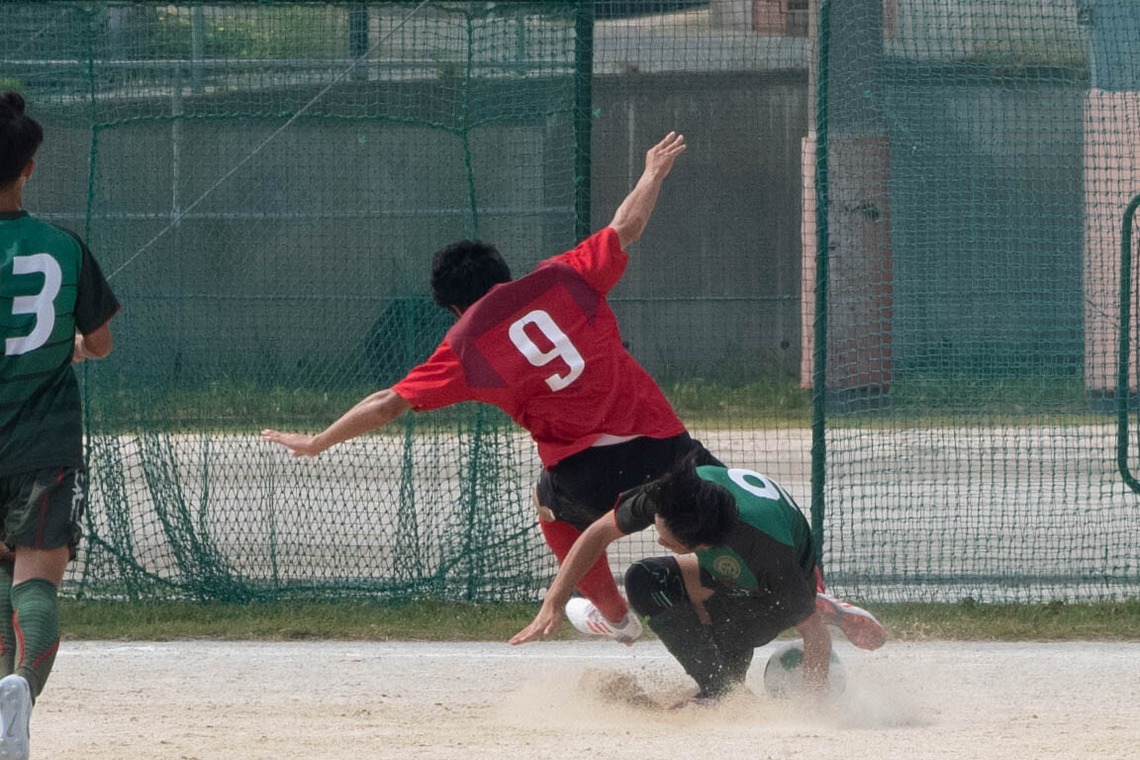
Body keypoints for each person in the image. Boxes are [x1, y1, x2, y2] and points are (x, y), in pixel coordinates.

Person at [263, 131, 721, 643]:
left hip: (585, 472)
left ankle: (614, 615)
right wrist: (651, 173)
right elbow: (626, 225)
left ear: (455, 307)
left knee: (549, 502)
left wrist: (318, 440)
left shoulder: (465, 345)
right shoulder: (561, 277)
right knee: (732, 511)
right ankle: (808, 596)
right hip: (660, 441)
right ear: (502, 272)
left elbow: (387, 404)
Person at [510, 455, 887, 703]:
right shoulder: (673, 495)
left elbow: (814, 637)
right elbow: (598, 533)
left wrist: (812, 708)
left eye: (667, 539)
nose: (657, 538)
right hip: (745, 564)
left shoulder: (761, 548)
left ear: (701, 543)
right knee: (645, 580)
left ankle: (725, 692)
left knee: (726, 630)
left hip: (774, 582)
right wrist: (554, 600)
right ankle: (723, 689)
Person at [0, 91, 121, 759]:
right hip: (44, 441)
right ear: (30, 167)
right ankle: (17, 691)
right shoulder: (62, 247)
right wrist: (69, 346)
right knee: (34, 583)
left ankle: (1, 703)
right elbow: (98, 343)